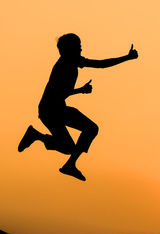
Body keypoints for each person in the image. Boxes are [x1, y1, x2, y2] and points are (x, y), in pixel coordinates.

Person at [18, 33, 139, 181]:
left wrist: (79, 90)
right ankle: (69, 164)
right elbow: (100, 64)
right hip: (51, 110)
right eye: (78, 46)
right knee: (91, 128)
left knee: (68, 148)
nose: (81, 48)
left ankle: (36, 135)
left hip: (51, 110)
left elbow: (60, 92)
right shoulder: (66, 62)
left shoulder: (69, 62)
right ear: (69, 49)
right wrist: (127, 57)